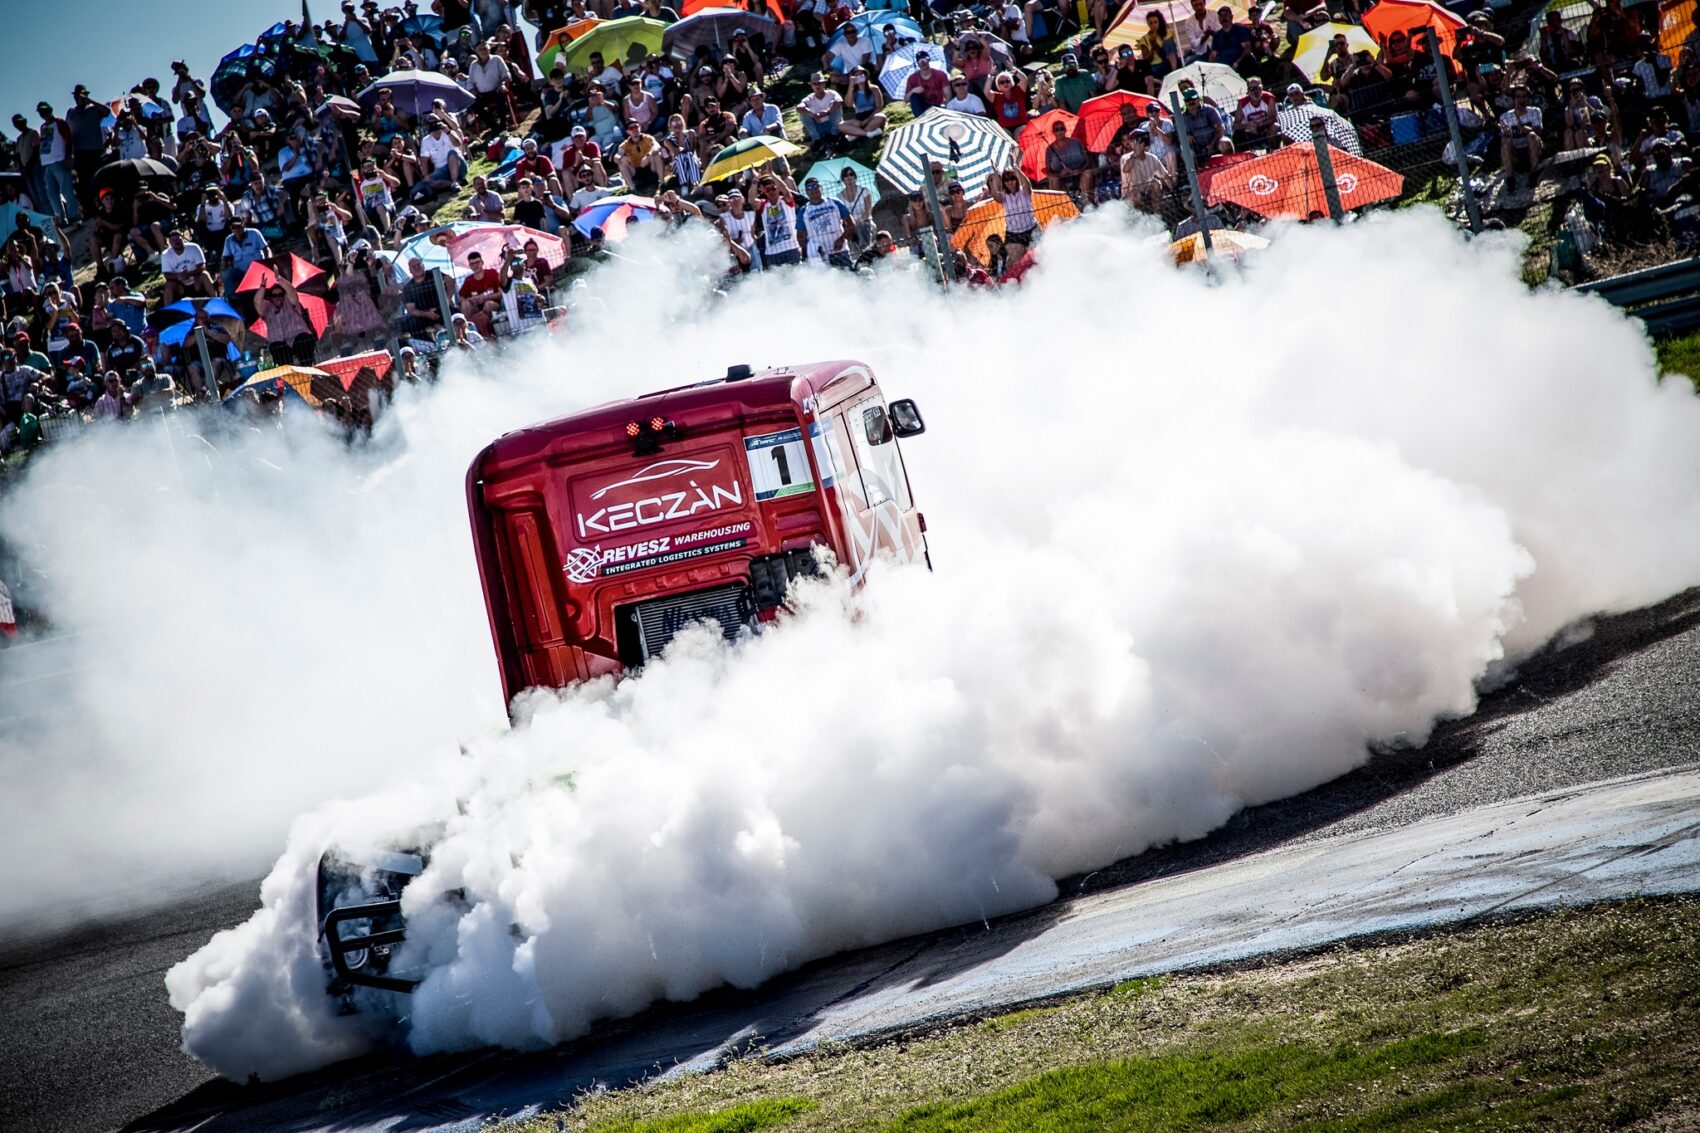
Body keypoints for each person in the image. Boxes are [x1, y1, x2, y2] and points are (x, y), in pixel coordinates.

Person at [334, 241, 389, 345]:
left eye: (370, 255)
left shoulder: (378, 264)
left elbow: (377, 282)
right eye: (366, 257)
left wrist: (371, 266)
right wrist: (351, 262)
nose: (369, 258)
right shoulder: (356, 272)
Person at [257, 278, 318, 366]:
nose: (278, 297)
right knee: (276, 347)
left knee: (303, 339)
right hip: (280, 344)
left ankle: (307, 370)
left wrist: (279, 279)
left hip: (298, 338)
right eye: (274, 295)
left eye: (280, 294)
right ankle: (289, 375)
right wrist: (262, 286)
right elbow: (257, 302)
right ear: (271, 298)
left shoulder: (290, 302)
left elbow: (292, 291)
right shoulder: (267, 308)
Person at [797, 176, 854, 266]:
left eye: (816, 186)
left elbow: (851, 224)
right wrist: (812, 249)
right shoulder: (804, 211)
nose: (813, 189)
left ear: (821, 188)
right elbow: (800, 236)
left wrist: (842, 239)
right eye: (809, 188)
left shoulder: (834, 202)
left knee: (849, 276)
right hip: (820, 257)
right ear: (806, 192)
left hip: (840, 251)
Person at [1500, 85, 1543, 192]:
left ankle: (1534, 173)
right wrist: (1505, 133)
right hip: (1517, 152)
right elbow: (1504, 139)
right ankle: (1510, 178)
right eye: (1518, 97)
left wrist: (1524, 129)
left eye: (1524, 97)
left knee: (1532, 136)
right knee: (1505, 141)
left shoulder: (1535, 111)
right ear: (1514, 99)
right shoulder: (1505, 117)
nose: (1521, 99)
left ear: (1528, 99)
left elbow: (1539, 131)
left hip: (1534, 147)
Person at [754, 173, 802, 267]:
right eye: (768, 190)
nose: (771, 192)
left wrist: (772, 173)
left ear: (778, 188)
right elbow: (751, 199)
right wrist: (755, 180)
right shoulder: (763, 205)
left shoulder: (786, 200)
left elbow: (786, 191)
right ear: (764, 191)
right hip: (772, 252)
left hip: (791, 248)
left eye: (773, 188)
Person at [220, 216, 270, 301]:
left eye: (239, 226)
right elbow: (225, 257)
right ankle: (234, 299)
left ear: (244, 224)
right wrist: (222, 269)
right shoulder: (228, 240)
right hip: (241, 272)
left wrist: (268, 262)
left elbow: (266, 249)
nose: (236, 229)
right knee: (226, 273)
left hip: (257, 270)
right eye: (233, 227)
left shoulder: (254, 233)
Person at [1120, 128, 1171, 211]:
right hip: (1131, 191)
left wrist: (1171, 183)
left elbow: (1165, 175)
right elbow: (1126, 169)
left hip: (1147, 189)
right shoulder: (1125, 158)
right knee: (1136, 195)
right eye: (1134, 141)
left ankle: (1156, 215)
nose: (1139, 144)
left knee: (1156, 184)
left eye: (1141, 141)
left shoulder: (1152, 158)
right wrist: (1135, 154)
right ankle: (1137, 218)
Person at [1045, 118, 1096, 197]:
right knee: (1053, 180)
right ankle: (1060, 204)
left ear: (1065, 130)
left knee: (1088, 173)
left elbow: (1087, 161)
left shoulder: (1076, 142)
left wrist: (1080, 170)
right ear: (1053, 132)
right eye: (1056, 130)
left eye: (1062, 129)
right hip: (1061, 180)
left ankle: (1087, 201)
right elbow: (1048, 172)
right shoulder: (1049, 149)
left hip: (1079, 175)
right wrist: (1059, 175)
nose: (1059, 132)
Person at [161, 230, 215, 304]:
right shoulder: (165, 255)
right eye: (173, 240)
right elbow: (167, 275)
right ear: (170, 242)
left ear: (182, 239)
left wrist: (189, 274)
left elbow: (202, 266)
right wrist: (178, 276)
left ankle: (216, 300)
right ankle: (168, 310)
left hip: (196, 281)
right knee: (168, 285)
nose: (176, 242)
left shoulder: (193, 247)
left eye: (178, 239)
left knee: (205, 274)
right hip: (180, 285)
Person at [458, 250, 505, 336]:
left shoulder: (492, 273)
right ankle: (469, 330)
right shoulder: (469, 280)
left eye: (477, 262)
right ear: (470, 266)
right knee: (465, 304)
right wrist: (472, 299)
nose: (475, 265)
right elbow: (461, 299)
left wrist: (485, 298)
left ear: (482, 262)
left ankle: (486, 330)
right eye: (472, 264)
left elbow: (501, 293)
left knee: (488, 304)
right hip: (476, 308)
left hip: (494, 305)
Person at [992, 163, 1039, 245]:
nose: (1010, 181)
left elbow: (1028, 184)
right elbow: (995, 195)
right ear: (1004, 182)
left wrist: (1016, 168)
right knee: (1012, 256)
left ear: (1017, 179)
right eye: (1006, 180)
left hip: (1031, 229)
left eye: (1012, 178)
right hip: (1013, 233)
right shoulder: (1004, 196)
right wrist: (996, 174)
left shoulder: (1024, 191)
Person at [1178, 86, 1232, 155]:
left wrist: (1212, 144)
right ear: (1185, 102)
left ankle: (1229, 163)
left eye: (1193, 98)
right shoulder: (1182, 117)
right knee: (1185, 152)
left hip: (1215, 143)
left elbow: (1221, 129)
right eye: (1188, 100)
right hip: (1195, 147)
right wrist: (1186, 138)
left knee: (1225, 143)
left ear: (1198, 99)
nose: (1191, 101)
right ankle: (1197, 166)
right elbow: (1179, 137)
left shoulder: (1209, 110)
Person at [800, 74, 845, 148]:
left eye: (819, 83)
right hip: (818, 127)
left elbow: (839, 101)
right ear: (811, 85)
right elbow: (799, 107)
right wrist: (813, 114)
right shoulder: (809, 98)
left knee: (836, 107)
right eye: (815, 84)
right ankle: (817, 140)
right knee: (803, 114)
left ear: (824, 84)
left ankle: (834, 136)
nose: (817, 86)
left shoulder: (832, 93)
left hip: (833, 124)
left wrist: (827, 112)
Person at [905, 51, 950, 116]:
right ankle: (921, 120)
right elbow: (906, 99)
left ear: (929, 60)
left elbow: (947, 93)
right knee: (914, 97)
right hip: (923, 108)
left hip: (939, 105)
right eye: (920, 61)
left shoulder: (940, 74)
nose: (923, 62)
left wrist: (946, 107)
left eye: (924, 59)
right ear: (917, 63)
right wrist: (913, 90)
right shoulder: (912, 78)